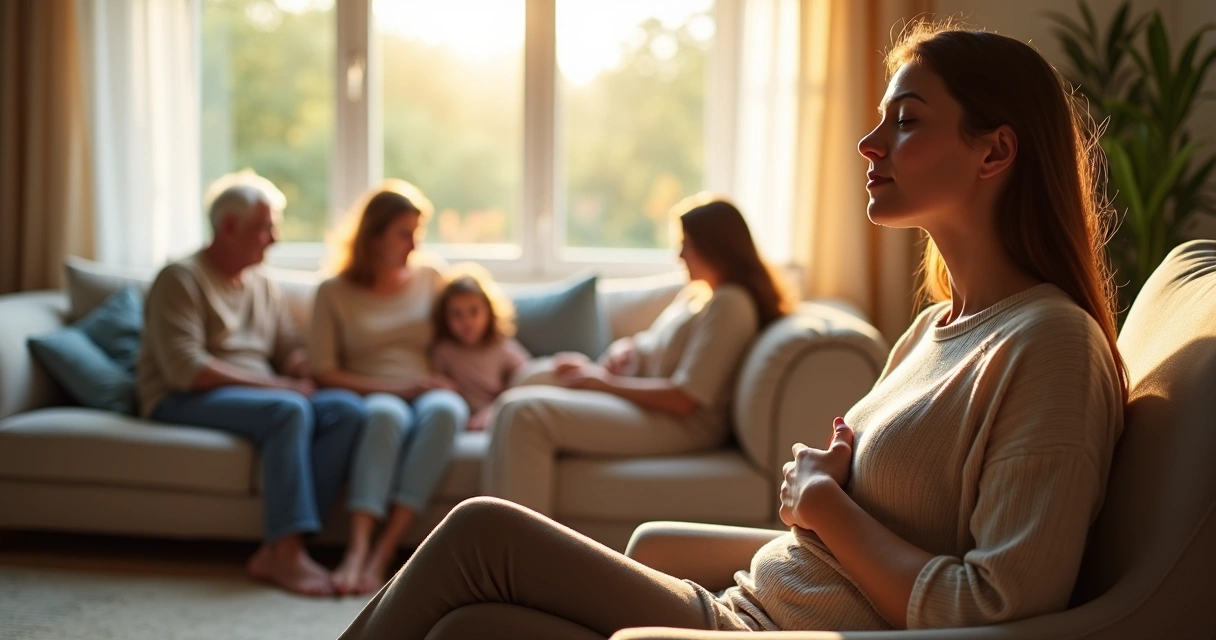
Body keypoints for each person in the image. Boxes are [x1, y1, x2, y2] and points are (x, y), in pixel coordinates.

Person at [335, 22, 1128, 638]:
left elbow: (995, 609)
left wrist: (824, 500)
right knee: (466, 627)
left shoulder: (1049, 345)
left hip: (760, 630)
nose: (869, 142)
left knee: (481, 533)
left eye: (907, 121)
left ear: (994, 152)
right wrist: (823, 496)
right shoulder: (931, 328)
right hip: (747, 600)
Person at [481, 193, 792, 516]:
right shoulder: (699, 295)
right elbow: (651, 343)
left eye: (688, 243)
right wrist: (623, 350)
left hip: (679, 423)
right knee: (521, 392)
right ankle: (484, 536)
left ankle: (514, 553)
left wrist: (603, 383)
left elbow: (685, 398)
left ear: (716, 246)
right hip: (642, 398)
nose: (680, 254)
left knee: (524, 414)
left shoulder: (731, 304)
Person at [138, 170, 363, 597]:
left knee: (347, 410)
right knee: (288, 410)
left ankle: (277, 547)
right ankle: (287, 555)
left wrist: (299, 367)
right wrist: (280, 388)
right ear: (229, 228)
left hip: (255, 393)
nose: (274, 238)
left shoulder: (261, 283)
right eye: (266, 227)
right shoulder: (180, 278)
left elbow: (285, 346)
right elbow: (186, 370)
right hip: (181, 397)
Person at [310, 180, 469, 595]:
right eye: (404, 233)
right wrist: (397, 388)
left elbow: (471, 325)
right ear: (373, 235)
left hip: (426, 385)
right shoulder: (333, 291)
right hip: (371, 389)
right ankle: (356, 549)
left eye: (418, 232)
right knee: (385, 414)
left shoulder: (431, 276)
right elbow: (323, 372)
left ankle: (386, 549)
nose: (414, 244)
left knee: (447, 409)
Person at [429, 268, 531, 432]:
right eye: (457, 314)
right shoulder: (443, 350)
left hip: (498, 411)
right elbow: (438, 386)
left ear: (489, 311)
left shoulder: (500, 345)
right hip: (461, 416)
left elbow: (526, 375)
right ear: (444, 317)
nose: (466, 321)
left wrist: (493, 408)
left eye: (474, 311)